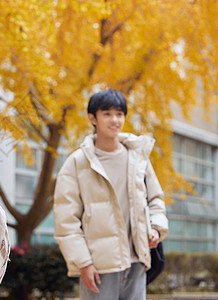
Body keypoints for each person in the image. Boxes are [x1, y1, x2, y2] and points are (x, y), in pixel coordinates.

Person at [53, 89, 169, 300]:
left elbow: (155, 199)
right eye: (107, 113)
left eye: (119, 114)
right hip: (99, 267)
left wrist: (156, 227)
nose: (115, 120)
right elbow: (66, 221)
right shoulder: (77, 163)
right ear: (92, 118)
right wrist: (84, 263)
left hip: (137, 262)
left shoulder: (138, 157)